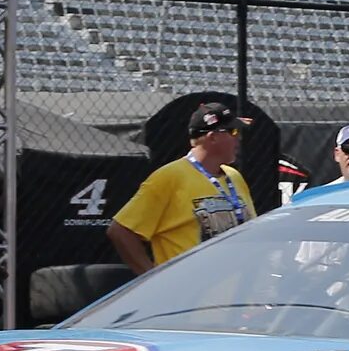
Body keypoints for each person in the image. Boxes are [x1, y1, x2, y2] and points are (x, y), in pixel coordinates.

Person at [109, 99, 254, 269]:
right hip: (189, 293)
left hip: (235, 291)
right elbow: (120, 231)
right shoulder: (170, 176)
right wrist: (152, 280)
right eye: (234, 132)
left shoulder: (234, 176)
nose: (239, 138)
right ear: (213, 137)